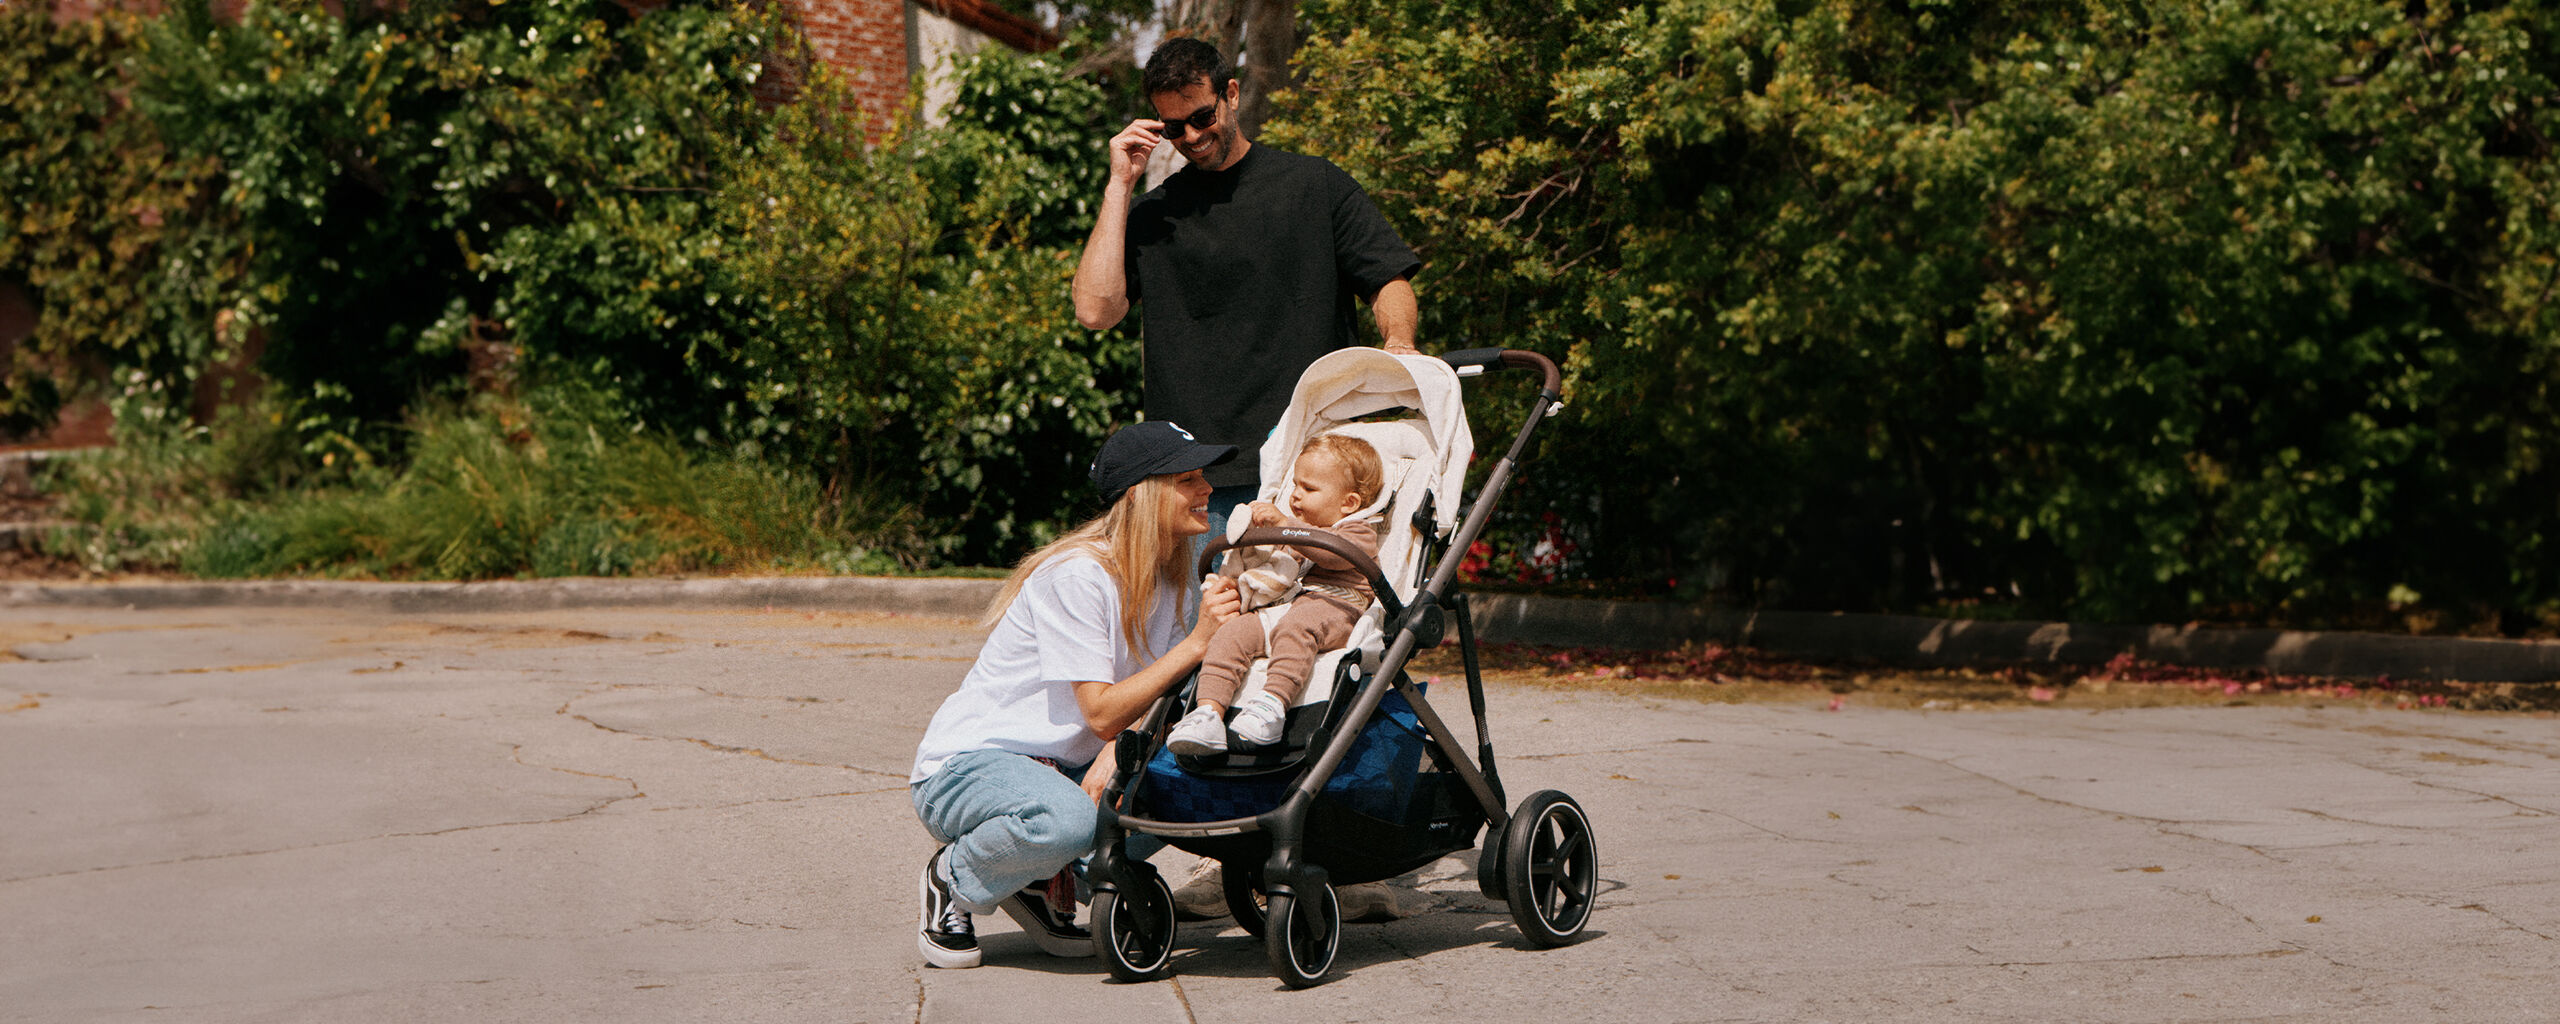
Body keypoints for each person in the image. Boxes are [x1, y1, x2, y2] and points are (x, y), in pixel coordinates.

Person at [908, 421, 1245, 969]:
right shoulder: (1077, 575)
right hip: (971, 767)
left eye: (1203, 475)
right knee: (1068, 821)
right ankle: (956, 877)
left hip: (1068, 768)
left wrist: (1125, 744)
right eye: (1188, 478)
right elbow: (1101, 709)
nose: (1207, 489)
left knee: (1185, 799)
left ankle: (1035, 879)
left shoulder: (1179, 567)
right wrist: (1197, 645)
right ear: (1143, 495)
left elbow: (1153, 705)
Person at [1071, 36, 1423, 538]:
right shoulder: (1154, 212)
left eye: (1201, 117)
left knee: (1311, 617)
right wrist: (1119, 185)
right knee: (1208, 618)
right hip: (1195, 481)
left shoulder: (1315, 185)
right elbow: (1094, 311)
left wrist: (1399, 345)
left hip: (1313, 472)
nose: (1190, 136)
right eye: (1173, 127)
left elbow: (1387, 278)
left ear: (1230, 94)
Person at [1168, 433, 1384, 755]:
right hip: (1288, 605)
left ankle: (1272, 706)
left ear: (1348, 503)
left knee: (1296, 626)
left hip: (1337, 606)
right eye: (1295, 485)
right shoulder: (1295, 529)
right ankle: (1208, 713)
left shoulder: (1358, 529)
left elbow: (1334, 556)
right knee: (1233, 633)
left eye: (1308, 489)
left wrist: (1287, 526)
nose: (1295, 496)